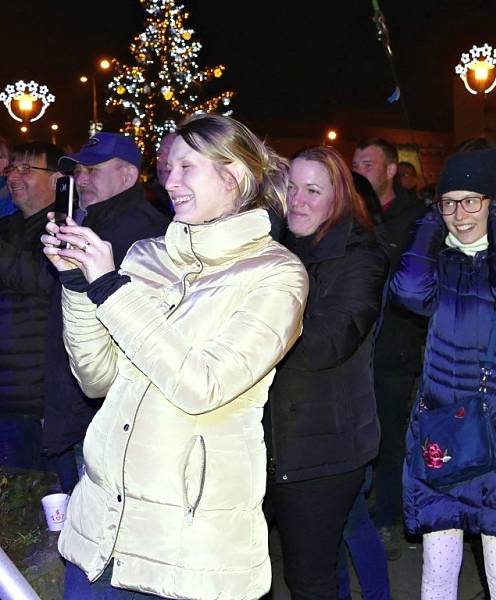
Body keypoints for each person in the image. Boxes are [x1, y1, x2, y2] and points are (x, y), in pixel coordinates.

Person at [42, 113, 308, 600]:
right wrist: (78, 285)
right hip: (100, 527)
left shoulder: (276, 275)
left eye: (187, 167)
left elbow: (202, 386)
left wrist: (110, 288)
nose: (170, 180)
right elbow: (97, 378)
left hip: (185, 543)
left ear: (234, 176)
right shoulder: (146, 255)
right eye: (167, 167)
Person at [391, 148, 496, 598]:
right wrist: (428, 221)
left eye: (473, 201)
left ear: (495, 204)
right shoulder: (440, 264)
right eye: (449, 202)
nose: (459, 214)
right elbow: (406, 290)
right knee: (438, 573)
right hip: (443, 436)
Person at [267, 146, 388, 599]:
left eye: (312, 190)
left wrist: (252, 332)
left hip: (324, 448)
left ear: (338, 196)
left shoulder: (360, 254)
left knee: (311, 578)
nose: (297, 200)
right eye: (292, 188)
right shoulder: (272, 247)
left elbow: (330, 341)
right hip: (265, 442)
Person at [40, 133, 170, 494]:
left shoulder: (141, 235)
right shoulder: (92, 225)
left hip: (105, 411)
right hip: (88, 402)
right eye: (79, 172)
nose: (81, 180)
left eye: (93, 171)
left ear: (128, 177)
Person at [352, 138, 426, 557]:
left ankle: (387, 517)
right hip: (359, 346)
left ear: (392, 170)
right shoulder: (356, 213)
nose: (359, 168)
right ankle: (362, 511)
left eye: (368, 161)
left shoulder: (414, 218)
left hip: (396, 346)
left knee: (391, 436)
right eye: (356, 161)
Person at [0, 142, 64, 470]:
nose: (14, 176)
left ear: (56, 179)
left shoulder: (66, 230)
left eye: (27, 169)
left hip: (40, 400)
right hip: (8, 396)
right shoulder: (8, 227)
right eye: (12, 168)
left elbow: (45, 279)